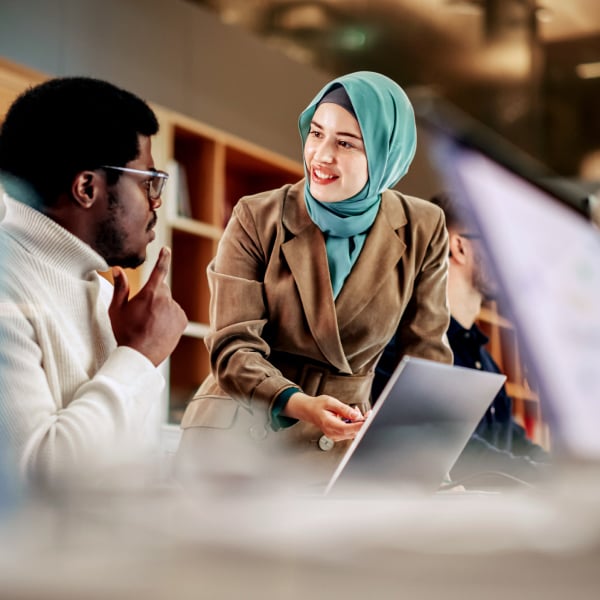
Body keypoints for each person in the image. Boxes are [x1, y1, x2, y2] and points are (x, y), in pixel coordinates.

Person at [178, 71, 452, 486]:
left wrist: (431, 469)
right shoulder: (257, 216)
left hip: (340, 448)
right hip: (242, 434)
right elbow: (233, 347)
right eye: (316, 133)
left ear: (385, 153)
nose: (321, 156)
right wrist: (299, 403)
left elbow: (426, 363)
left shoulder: (424, 227)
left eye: (345, 143)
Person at [0, 76, 188, 485]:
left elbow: (131, 467)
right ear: (87, 187)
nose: (157, 203)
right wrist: (139, 357)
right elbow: (33, 482)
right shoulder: (6, 284)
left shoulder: (107, 296)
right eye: (148, 183)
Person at [373, 191, 550, 486]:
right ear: (460, 247)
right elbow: (454, 454)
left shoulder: (485, 361)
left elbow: (515, 442)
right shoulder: (402, 347)